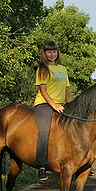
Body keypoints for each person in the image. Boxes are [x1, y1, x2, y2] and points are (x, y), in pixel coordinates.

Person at [34, 41, 71, 181]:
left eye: (54, 51)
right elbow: (43, 91)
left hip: (62, 105)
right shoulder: (42, 69)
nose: (52, 54)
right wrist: (54, 105)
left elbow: (67, 89)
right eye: (49, 52)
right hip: (44, 104)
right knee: (45, 130)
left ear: (57, 53)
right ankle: (42, 166)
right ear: (44, 53)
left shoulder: (63, 69)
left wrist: (70, 104)